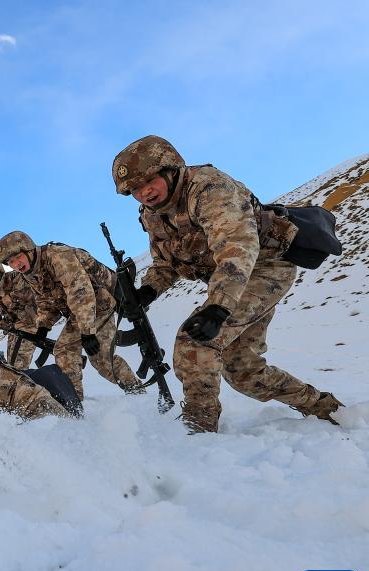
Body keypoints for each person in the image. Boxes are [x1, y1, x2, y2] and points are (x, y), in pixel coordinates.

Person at [111, 134, 342, 432]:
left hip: (263, 268)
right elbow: (167, 263)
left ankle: (199, 427)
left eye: (149, 181)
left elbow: (237, 247)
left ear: (170, 169)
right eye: (135, 190)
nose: (144, 193)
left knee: (195, 340)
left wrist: (218, 307)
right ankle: (325, 407)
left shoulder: (209, 187)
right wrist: (148, 290)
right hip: (231, 280)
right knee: (243, 370)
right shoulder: (153, 215)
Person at [0, 230, 142, 400]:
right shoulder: (30, 272)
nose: (16, 264)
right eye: (10, 262)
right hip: (79, 312)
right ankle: (74, 404)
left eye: (17, 257)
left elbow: (80, 292)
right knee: (67, 352)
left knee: (98, 358)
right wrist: (43, 326)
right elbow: (45, 300)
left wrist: (87, 332)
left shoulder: (58, 256)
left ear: (28, 250)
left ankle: (135, 391)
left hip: (98, 304)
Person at [0, 256, 37, 369]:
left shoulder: (17, 278)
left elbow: (36, 296)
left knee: (18, 365)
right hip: (15, 328)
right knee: (11, 365)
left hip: (34, 320)